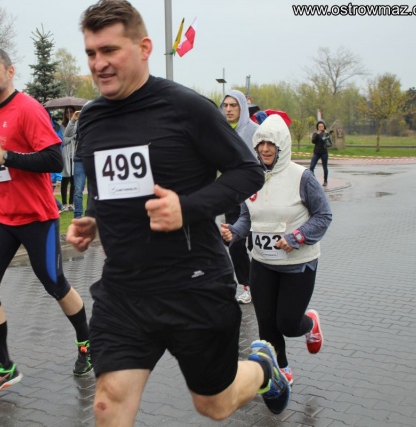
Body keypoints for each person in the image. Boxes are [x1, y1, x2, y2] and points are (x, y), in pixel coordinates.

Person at [67, 1, 290, 424]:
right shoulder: (92, 118)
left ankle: (264, 368)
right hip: (125, 290)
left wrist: (186, 208)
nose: (99, 63)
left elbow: (248, 172)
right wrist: (93, 218)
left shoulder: (186, 108)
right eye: (91, 53)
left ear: (144, 48)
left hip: (193, 284)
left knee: (214, 405)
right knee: (107, 403)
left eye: (110, 50)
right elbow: (107, 186)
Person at [0, 47, 92, 399]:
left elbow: (53, 160)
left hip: (37, 217)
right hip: (0, 214)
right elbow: (3, 166)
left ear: (10, 72)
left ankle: (87, 342)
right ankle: (3, 366)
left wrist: (6, 156)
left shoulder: (29, 109)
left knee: (55, 284)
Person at [221, 114, 332, 387]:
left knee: (287, 324)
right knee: (266, 324)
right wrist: (234, 232)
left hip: (298, 264)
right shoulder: (252, 178)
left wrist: (297, 237)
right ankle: (281, 368)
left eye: (271, 144)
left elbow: (323, 215)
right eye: (261, 144)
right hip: (262, 262)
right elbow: (247, 217)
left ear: (282, 145)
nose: (265, 149)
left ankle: (309, 324)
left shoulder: (301, 177)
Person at [220, 90, 258, 304]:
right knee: (234, 242)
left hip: (254, 197)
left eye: (233, 105)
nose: (228, 109)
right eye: (225, 105)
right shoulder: (221, 130)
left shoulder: (254, 131)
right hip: (232, 196)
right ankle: (247, 285)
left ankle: (262, 283)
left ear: (242, 107)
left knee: (255, 245)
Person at [69, 107, 88, 219]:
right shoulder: (78, 124)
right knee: (78, 190)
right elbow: (67, 134)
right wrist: (73, 120)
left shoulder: (95, 123)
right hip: (79, 159)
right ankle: (78, 216)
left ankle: (90, 214)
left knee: (93, 190)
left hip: (92, 158)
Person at [60, 107, 76, 212]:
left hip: (74, 154)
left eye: (71, 112)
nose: (69, 114)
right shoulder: (62, 126)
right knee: (65, 179)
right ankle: (64, 203)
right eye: (67, 112)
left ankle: (71, 203)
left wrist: (72, 135)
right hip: (65, 154)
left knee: (73, 180)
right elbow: (63, 140)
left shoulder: (77, 124)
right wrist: (73, 136)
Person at [310, 120, 331, 187]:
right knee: (311, 166)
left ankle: (325, 181)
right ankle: (313, 180)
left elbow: (329, 144)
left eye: (322, 126)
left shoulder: (326, 134)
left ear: (324, 127)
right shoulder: (315, 134)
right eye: (319, 126)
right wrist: (317, 134)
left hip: (324, 152)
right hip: (316, 152)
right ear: (317, 127)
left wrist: (326, 136)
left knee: (325, 167)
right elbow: (313, 141)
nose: (321, 128)